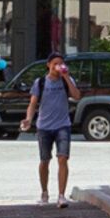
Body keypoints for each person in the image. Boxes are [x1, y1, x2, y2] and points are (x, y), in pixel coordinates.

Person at [28, 54, 77, 204]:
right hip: (44, 126)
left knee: (63, 158)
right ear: (48, 65)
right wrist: (28, 119)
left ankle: (61, 195)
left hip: (63, 125)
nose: (58, 66)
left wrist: (67, 77)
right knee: (45, 160)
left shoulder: (66, 81)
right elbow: (33, 103)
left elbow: (76, 96)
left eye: (61, 63)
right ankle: (44, 192)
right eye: (55, 63)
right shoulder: (40, 82)